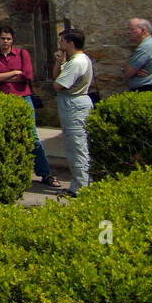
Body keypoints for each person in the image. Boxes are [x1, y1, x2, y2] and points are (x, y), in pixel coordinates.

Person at [0, 25, 55, 187]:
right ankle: (10, 172)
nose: (6, 42)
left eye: (8, 38)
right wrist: (14, 73)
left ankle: (45, 173)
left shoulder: (22, 54)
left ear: (12, 40)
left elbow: (28, 75)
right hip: (3, 99)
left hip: (23, 98)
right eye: (3, 38)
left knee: (32, 137)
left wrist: (2, 76)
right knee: (5, 136)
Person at [53, 28, 94, 197]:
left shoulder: (77, 62)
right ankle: (81, 182)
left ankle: (80, 187)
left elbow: (58, 85)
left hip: (74, 106)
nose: (60, 44)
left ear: (71, 43)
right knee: (75, 146)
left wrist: (60, 70)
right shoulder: (73, 61)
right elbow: (58, 77)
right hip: (72, 105)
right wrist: (58, 63)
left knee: (77, 147)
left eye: (62, 41)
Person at [122, 18, 152, 92]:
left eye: (131, 29)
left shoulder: (145, 47)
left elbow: (128, 72)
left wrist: (128, 70)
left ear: (143, 30)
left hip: (145, 90)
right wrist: (135, 70)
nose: (128, 32)